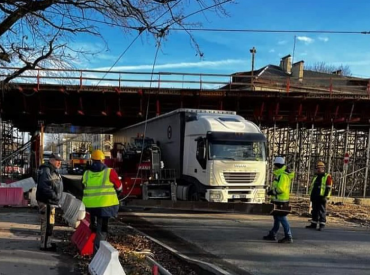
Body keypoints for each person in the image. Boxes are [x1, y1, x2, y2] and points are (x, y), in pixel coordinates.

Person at [82, 149, 122, 254]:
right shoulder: (109, 172)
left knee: (95, 225)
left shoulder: (86, 173)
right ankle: (98, 252)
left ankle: (93, 229)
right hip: (106, 206)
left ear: (92, 160)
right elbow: (119, 187)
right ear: (103, 160)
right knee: (103, 228)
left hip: (90, 206)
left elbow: (83, 187)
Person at [36, 153, 64, 251]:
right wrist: (55, 196)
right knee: (47, 223)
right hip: (47, 201)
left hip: (51, 201)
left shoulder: (52, 170)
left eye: (60, 161)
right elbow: (44, 187)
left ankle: (47, 242)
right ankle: (44, 245)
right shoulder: (46, 170)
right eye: (57, 160)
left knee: (50, 223)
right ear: (51, 160)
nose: (59, 163)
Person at [263, 156, 294, 243]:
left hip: (281, 201)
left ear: (277, 165)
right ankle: (272, 234)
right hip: (278, 200)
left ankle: (288, 236)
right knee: (277, 218)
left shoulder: (282, 176)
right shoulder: (281, 174)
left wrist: (272, 192)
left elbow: (280, 189)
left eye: (275, 165)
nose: (274, 167)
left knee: (282, 218)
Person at [306, 161, 333, 231]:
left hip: (322, 197)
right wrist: (311, 195)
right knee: (314, 210)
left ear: (323, 168)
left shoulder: (327, 177)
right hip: (315, 196)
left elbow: (328, 187)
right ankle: (314, 223)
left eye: (319, 168)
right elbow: (312, 187)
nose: (317, 170)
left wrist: (325, 196)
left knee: (321, 211)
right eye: (317, 168)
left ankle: (322, 224)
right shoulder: (316, 177)